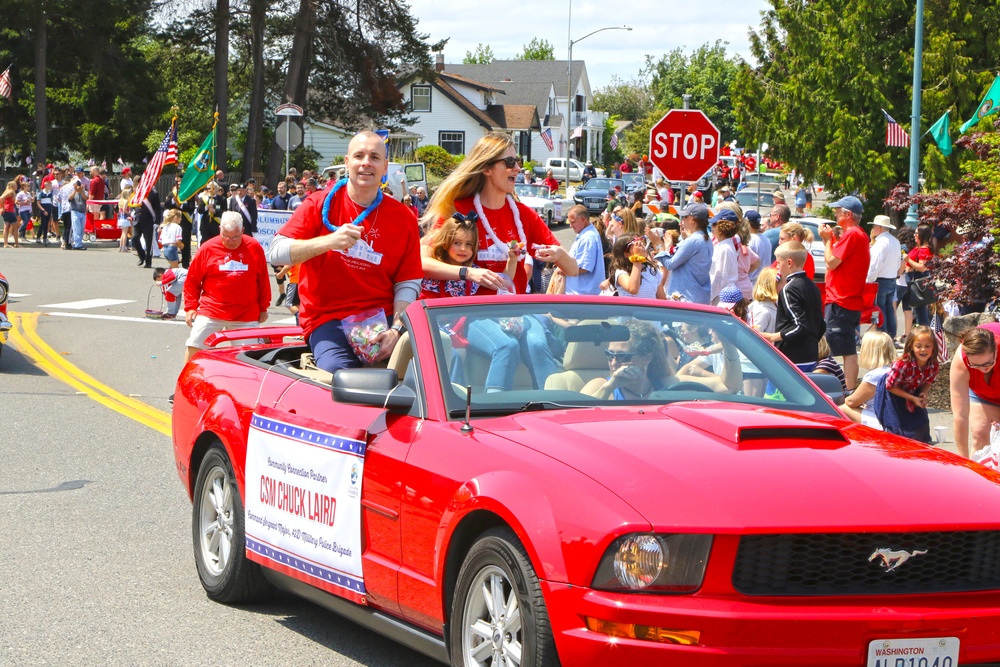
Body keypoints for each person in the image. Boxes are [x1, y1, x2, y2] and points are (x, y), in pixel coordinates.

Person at [268, 131, 422, 374]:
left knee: (422, 376)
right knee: (340, 377)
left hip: (383, 320)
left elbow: (408, 281)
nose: (366, 163)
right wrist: (329, 242)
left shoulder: (403, 217)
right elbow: (276, 252)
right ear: (347, 161)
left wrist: (397, 329)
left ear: (385, 167)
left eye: (374, 157)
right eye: (359, 156)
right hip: (328, 319)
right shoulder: (318, 203)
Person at [183, 212, 270, 362]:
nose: (230, 241)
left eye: (235, 237)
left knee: (247, 357)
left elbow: (262, 279)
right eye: (226, 236)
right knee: (195, 346)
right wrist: (190, 307)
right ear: (220, 230)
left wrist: (263, 308)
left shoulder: (254, 247)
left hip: (245, 313)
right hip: (212, 310)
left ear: (242, 231)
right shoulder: (207, 248)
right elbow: (192, 280)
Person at [582, 319, 741, 400]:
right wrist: (610, 387)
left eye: (623, 357)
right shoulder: (600, 386)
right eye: (610, 355)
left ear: (647, 358)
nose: (614, 363)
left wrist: (728, 344)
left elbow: (728, 387)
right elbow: (571, 420)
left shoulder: (667, 384)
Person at [820, 195, 870, 390]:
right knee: (844, 347)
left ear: (848, 214)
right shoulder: (858, 235)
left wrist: (826, 241)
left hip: (842, 300)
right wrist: (832, 239)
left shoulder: (853, 234)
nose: (835, 213)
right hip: (845, 300)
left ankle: (846, 390)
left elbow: (831, 261)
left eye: (838, 210)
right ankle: (846, 389)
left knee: (840, 349)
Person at [420, 213, 517, 299]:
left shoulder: (476, 272)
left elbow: (503, 283)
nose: (463, 249)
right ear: (446, 244)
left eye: (469, 244)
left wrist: (512, 258)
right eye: (457, 243)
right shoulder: (435, 266)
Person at [761, 241, 824, 371]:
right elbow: (821, 324)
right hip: (810, 354)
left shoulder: (789, 289)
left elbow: (800, 326)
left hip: (791, 357)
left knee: (777, 392)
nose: (777, 267)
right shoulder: (813, 287)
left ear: (789, 263)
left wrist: (775, 336)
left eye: (778, 263)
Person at [875, 325, 939, 443]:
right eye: (918, 346)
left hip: (913, 391)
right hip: (893, 393)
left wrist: (923, 392)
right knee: (898, 429)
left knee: (921, 425)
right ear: (911, 347)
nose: (923, 350)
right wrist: (911, 398)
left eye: (927, 346)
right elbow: (890, 386)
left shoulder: (933, 365)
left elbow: (928, 381)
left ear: (933, 347)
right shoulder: (902, 364)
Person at [950, 322, 1000, 458]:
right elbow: (960, 416)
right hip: (982, 394)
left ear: (996, 349)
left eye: (988, 363)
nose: (984, 369)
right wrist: (963, 460)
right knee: (980, 434)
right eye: (976, 366)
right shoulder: (961, 360)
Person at [651, 202, 712, 304]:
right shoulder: (704, 239)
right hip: (697, 297)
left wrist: (658, 245)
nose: (682, 220)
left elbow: (670, 264)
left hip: (687, 299)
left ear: (693, 220)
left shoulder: (694, 240)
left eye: (685, 217)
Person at [842, 331, 897, 427]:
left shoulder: (875, 375)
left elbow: (851, 401)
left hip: (882, 422)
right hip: (894, 418)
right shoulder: (892, 371)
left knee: (841, 409)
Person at [710, 209, 759, 304]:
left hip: (720, 297)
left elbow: (719, 278)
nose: (711, 227)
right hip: (721, 294)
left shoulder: (724, 249)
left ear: (722, 227)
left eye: (714, 224)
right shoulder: (725, 246)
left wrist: (707, 298)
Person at [866, 215, 902, 337]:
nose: (873, 228)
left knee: (880, 309)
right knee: (889, 309)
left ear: (880, 228)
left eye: (874, 226)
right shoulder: (895, 241)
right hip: (891, 278)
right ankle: (891, 335)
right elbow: (898, 262)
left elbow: (875, 265)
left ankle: (883, 336)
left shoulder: (880, 244)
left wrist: (869, 280)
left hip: (880, 280)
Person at [559, 205, 605, 296]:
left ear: (583, 220)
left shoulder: (588, 238)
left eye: (573, 222)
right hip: (581, 293)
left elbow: (585, 267)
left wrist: (565, 270)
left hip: (582, 294)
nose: (570, 225)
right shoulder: (586, 234)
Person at [604, 235, 665, 299]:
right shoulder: (621, 272)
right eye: (636, 244)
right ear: (626, 254)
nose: (641, 246)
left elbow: (662, 299)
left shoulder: (653, 270)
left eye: (641, 243)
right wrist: (637, 258)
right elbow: (633, 289)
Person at [903, 224, 935, 327]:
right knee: (918, 308)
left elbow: (922, 267)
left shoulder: (924, 249)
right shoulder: (920, 248)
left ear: (922, 235)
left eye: (916, 233)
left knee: (920, 307)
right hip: (914, 277)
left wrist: (908, 260)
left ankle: (924, 330)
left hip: (917, 279)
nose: (914, 235)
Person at [164, 175, 197, 268]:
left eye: (180, 182)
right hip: (173, 222)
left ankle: (185, 264)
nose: (178, 184)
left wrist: (181, 205)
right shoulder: (172, 193)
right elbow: (167, 205)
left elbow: (191, 208)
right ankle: (173, 262)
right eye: (177, 183)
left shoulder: (189, 194)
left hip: (185, 222)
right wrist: (173, 202)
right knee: (173, 241)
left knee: (185, 242)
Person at [134, 185, 161, 267]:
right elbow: (135, 204)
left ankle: (148, 262)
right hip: (138, 220)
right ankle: (142, 256)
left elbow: (158, 208)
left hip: (149, 221)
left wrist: (157, 222)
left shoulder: (153, 193)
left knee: (148, 242)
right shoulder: (138, 192)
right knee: (134, 238)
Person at [748, 266, 779, 335]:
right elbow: (754, 338)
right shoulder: (763, 312)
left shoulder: (775, 305)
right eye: (783, 282)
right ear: (773, 286)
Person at [745, 210, 772, 285]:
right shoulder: (767, 239)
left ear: (747, 223)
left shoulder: (749, 240)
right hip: (764, 282)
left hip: (752, 282)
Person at [67, 177, 88, 250]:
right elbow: (70, 198)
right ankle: (77, 244)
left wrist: (81, 191)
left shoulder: (84, 191)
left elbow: (86, 198)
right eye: (76, 184)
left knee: (82, 229)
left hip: (82, 212)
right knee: (77, 229)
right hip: (75, 211)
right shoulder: (72, 191)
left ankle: (79, 243)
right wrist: (75, 190)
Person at [117, 184, 134, 252]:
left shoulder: (120, 201)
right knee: (125, 234)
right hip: (125, 218)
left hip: (120, 218)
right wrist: (129, 213)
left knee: (122, 234)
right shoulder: (126, 201)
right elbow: (124, 210)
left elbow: (120, 210)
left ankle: (120, 247)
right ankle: (123, 247)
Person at [1, 182, 17, 248]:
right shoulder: (10, 192)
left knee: (6, 226)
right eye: (16, 185)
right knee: (15, 227)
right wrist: (3, 207)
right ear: (12, 186)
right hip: (9, 211)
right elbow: (1, 198)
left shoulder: (6, 191)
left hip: (6, 211)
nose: (17, 187)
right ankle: (17, 243)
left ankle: (5, 243)